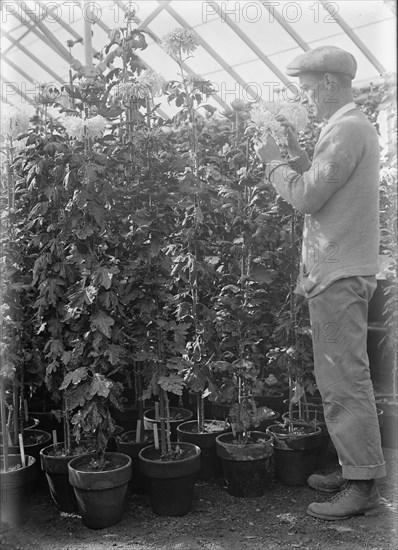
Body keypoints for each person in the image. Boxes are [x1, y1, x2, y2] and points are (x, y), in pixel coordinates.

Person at [255, 45, 386, 520]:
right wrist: (295, 150)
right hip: (337, 271)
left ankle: (363, 485)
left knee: (344, 380)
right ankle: (355, 468)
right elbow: (326, 180)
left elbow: (308, 195)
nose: (305, 98)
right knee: (339, 376)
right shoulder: (348, 128)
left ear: (330, 84)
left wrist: (272, 163)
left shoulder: (349, 129)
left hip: (339, 273)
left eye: (308, 89)